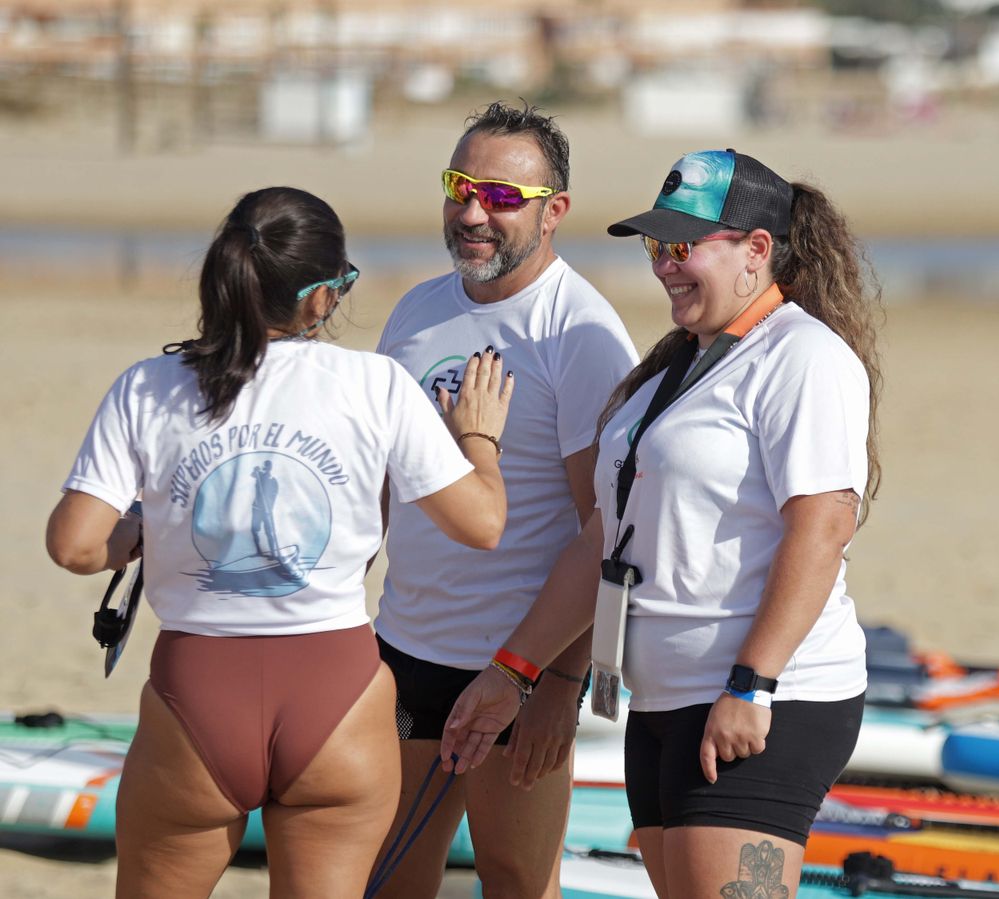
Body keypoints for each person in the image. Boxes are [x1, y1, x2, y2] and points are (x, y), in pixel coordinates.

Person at [44, 186, 513, 898]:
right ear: (323, 296)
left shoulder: (149, 387)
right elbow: (482, 524)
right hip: (337, 692)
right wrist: (477, 435)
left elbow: (74, 546)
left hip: (197, 690)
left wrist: (138, 530)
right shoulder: (375, 384)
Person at [440, 149, 884, 899]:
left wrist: (753, 683)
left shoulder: (804, 355)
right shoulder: (678, 364)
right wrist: (511, 671)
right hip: (660, 703)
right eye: (657, 247)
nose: (666, 267)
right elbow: (603, 539)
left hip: (764, 701)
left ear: (757, 250)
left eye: (684, 247)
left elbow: (823, 525)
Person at [369, 101, 638, 899]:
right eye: (459, 186)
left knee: (517, 880)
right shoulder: (417, 310)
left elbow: (607, 528)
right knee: (389, 876)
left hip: (516, 666)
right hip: (404, 648)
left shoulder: (580, 333)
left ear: (555, 212)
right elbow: (382, 488)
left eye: (501, 196)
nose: (472, 211)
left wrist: (557, 683)